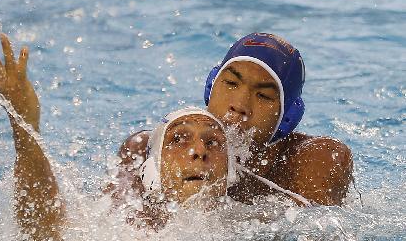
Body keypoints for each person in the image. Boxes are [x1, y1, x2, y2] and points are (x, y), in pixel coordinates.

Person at [0, 35, 236, 241]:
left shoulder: (256, 223)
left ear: (229, 170)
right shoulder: (121, 238)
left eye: (213, 143)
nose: (199, 150)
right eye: (179, 140)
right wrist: (24, 125)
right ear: (154, 168)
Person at [119, 33, 353, 206]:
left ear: (286, 119)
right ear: (211, 87)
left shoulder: (315, 160)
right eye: (231, 83)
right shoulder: (150, 150)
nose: (239, 105)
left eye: (263, 95)